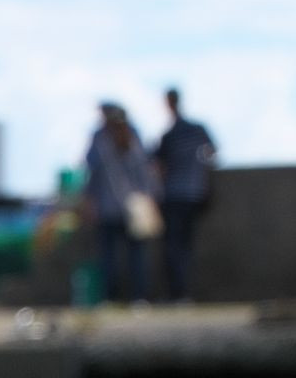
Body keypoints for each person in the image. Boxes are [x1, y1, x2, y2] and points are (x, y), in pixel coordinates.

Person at [79, 103, 158, 307]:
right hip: (121, 207)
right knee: (121, 256)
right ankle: (128, 297)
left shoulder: (107, 140)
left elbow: (92, 172)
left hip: (122, 207)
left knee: (122, 255)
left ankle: (123, 297)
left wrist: (89, 200)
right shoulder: (123, 138)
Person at [153, 89, 218, 303]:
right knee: (184, 246)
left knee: (174, 246)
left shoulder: (170, 135)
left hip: (175, 195)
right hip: (194, 193)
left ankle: (178, 292)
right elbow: (212, 153)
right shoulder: (196, 130)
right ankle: (182, 291)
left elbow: (158, 166)